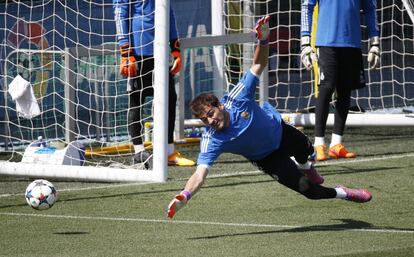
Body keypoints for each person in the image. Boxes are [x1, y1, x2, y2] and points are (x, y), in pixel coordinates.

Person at [167, 16, 372, 219]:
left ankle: (307, 166)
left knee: (307, 150)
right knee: (309, 191)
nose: (210, 121)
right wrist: (185, 195)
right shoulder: (212, 139)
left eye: (211, 114)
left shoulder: (237, 98)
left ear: (219, 105)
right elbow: (200, 174)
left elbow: (258, 65)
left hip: (282, 133)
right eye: (205, 120)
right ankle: (343, 193)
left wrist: (264, 39)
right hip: (268, 159)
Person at [113, 0, 195, 167]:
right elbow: (119, 13)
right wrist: (125, 51)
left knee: (170, 98)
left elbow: (168, 12)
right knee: (136, 100)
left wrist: (175, 47)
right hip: (137, 51)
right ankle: (138, 151)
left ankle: (168, 152)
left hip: (160, 49)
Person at [300, 0, 380, 161]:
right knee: (326, 88)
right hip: (326, 41)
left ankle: (336, 144)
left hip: (352, 43)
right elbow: (306, 6)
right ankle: (318, 144)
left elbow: (370, 9)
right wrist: (305, 42)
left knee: (345, 90)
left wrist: (375, 42)